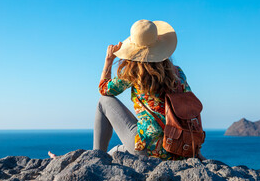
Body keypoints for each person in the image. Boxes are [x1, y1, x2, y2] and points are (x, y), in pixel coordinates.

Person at [49, 19, 205, 160]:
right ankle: (82, 159)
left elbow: (104, 90)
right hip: (179, 148)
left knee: (104, 102)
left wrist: (109, 60)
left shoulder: (134, 73)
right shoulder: (178, 73)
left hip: (150, 150)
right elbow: (188, 110)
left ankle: (95, 160)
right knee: (115, 152)